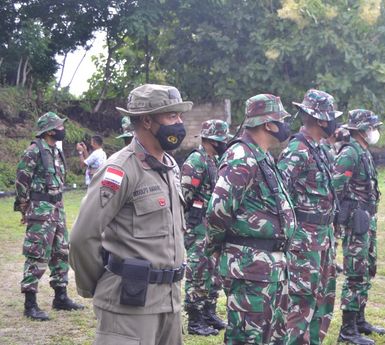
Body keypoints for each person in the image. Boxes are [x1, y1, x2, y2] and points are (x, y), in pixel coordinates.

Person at [69, 84, 192, 344]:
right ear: (147, 121)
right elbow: (82, 237)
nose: (179, 123)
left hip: (169, 304)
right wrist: (99, 284)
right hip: (128, 308)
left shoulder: (169, 167)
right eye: (172, 116)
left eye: (180, 116)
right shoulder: (120, 170)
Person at [205, 94, 296, 344]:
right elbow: (218, 210)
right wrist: (214, 247)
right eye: (281, 119)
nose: (286, 125)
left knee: (271, 336)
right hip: (250, 268)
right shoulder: (241, 156)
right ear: (268, 124)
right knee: (247, 338)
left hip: (270, 267)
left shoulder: (261, 155)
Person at [277, 89, 341, 345]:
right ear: (322, 120)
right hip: (305, 242)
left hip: (323, 238)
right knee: (301, 303)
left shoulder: (319, 149)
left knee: (322, 300)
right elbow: (280, 197)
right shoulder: (297, 150)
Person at [15, 112, 84, 321]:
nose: (63, 129)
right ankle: (30, 304)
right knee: (37, 254)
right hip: (40, 210)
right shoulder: (34, 151)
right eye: (59, 126)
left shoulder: (55, 151)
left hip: (57, 208)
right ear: (51, 130)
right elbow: (21, 181)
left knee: (61, 252)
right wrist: (24, 208)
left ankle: (60, 297)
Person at [332, 109, 384, 345]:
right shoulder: (349, 153)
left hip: (366, 219)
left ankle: (359, 320)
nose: (376, 131)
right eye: (373, 127)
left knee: (367, 269)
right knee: (355, 272)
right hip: (356, 222)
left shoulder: (363, 151)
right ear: (363, 130)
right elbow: (335, 189)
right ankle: (347, 329)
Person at [180, 119, 230, 336]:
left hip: (211, 227)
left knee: (213, 273)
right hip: (197, 227)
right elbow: (185, 197)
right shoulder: (196, 161)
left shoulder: (214, 161)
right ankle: (195, 319)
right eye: (222, 139)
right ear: (212, 139)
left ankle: (209, 312)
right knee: (197, 273)